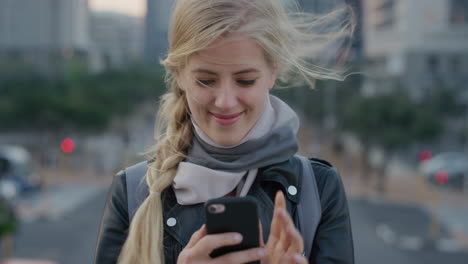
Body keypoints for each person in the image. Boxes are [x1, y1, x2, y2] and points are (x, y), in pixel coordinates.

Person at [94, 0, 355, 263]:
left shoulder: (319, 190)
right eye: (206, 80)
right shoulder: (132, 193)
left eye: (245, 80)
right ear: (179, 75)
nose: (225, 101)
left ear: (272, 71)